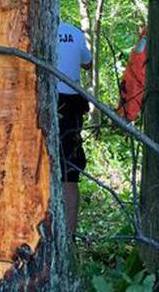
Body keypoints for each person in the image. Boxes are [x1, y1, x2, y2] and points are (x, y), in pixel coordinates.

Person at [57, 18, 92, 240]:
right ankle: (67, 238)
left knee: (67, 172)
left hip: (53, 101)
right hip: (70, 108)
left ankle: (65, 239)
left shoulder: (29, 28)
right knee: (69, 172)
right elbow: (88, 63)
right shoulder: (74, 33)